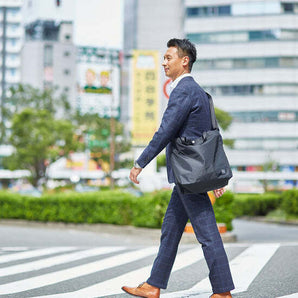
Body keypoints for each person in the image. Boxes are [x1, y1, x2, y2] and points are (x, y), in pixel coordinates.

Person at [122, 38, 235, 298]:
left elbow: (165, 132)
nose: (164, 62)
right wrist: (216, 177)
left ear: (184, 61)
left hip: (189, 175)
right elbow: (211, 136)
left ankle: (222, 291)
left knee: (207, 233)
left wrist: (140, 163)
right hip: (192, 174)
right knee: (171, 229)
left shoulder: (184, 91)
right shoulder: (199, 92)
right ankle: (153, 285)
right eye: (163, 57)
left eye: (168, 57)